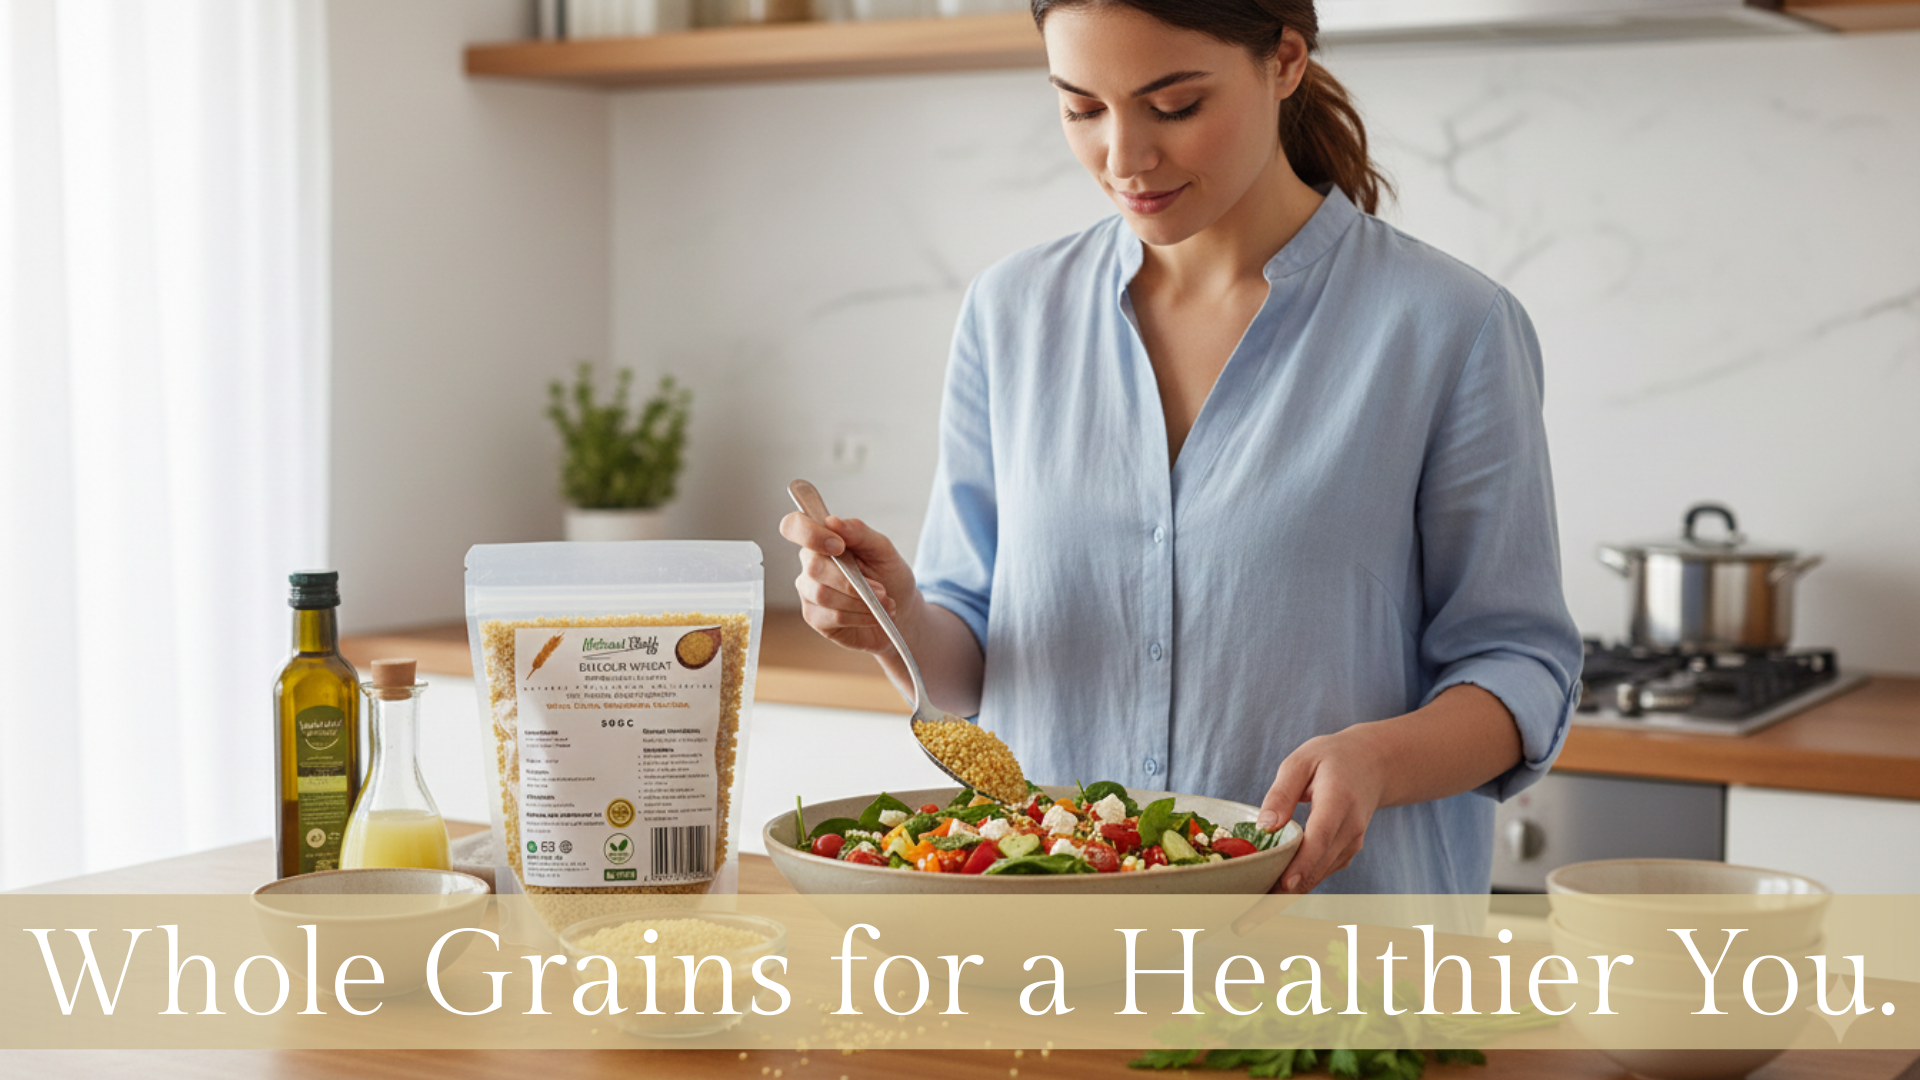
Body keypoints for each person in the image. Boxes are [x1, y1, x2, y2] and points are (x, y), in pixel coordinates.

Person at [779, 0, 1582, 894]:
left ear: (1283, 60)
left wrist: (1381, 758)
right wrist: (894, 616)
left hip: (1336, 957)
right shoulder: (1011, 314)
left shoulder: (1448, 328)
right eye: (1082, 108)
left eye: (1174, 106)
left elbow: (1520, 667)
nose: (1124, 159)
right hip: (1053, 945)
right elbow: (968, 662)